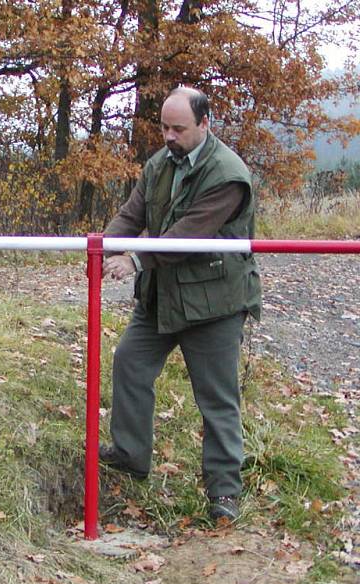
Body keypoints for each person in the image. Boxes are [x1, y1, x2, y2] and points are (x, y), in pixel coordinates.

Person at [100, 86, 261, 522]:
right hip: (163, 297)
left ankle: (224, 493)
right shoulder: (159, 164)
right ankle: (131, 455)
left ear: (204, 124)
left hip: (214, 303)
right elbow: (132, 214)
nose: (169, 136)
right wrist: (104, 249)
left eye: (178, 129)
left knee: (216, 398)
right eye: (164, 127)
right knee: (130, 361)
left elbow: (189, 234)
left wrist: (134, 259)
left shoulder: (227, 174)